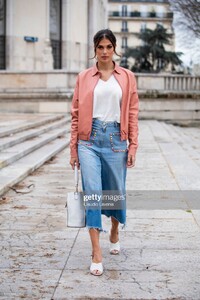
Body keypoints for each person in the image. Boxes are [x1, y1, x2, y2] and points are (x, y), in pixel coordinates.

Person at [69, 29, 139, 276]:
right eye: (101, 47)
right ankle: (96, 252)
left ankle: (115, 230)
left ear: (115, 48)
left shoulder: (127, 77)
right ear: (94, 50)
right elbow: (76, 114)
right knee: (93, 195)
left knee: (115, 192)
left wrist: (133, 145)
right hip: (88, 141)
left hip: (116, 140)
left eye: (109, 46)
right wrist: (74, 149)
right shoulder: (84, 77)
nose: (105, 51)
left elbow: (132, 113)